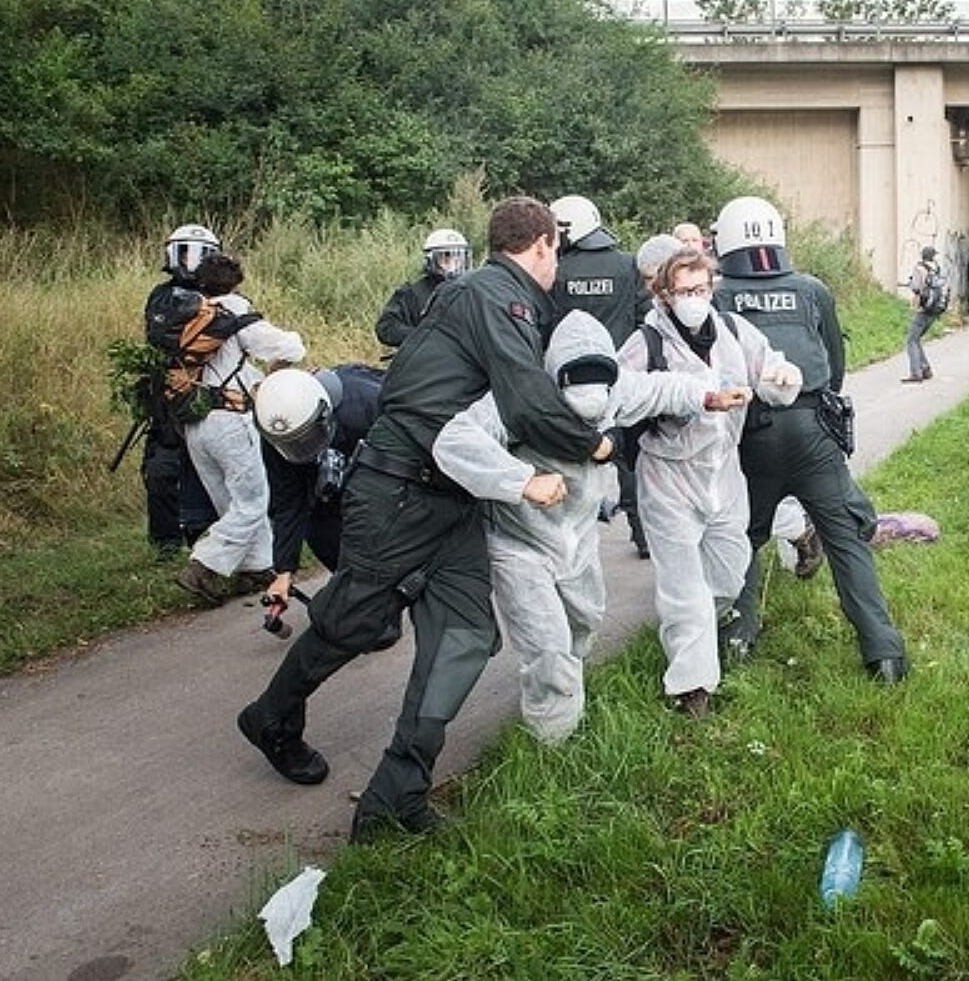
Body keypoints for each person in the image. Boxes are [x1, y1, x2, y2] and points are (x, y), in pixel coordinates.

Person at [238, 196, 613, 842]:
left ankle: (395, 794)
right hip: (398, 491)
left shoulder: (482, 294)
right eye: (557, 252)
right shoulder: (498, 294)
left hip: (455, 498)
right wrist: (595, 444)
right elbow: (526, 401)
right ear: (544, 244)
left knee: (466, 637)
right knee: (356, 619)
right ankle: (272, 716)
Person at [434, 310, 748, 742]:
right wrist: (523, 481)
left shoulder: (619, 389)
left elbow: (663, 389)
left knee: (584, 622)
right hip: (519, 541)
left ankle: (568, 682)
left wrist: (708, 397)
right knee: (547, 645)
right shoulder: (516, 397)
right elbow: (453, 442)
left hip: (577, 535)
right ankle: (555, 740)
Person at [711, 196, 910, 684]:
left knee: (743, 538)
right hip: (815, 432)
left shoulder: (716, 296)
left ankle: (738, 640)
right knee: (846, 540)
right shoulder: (811, 290)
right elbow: (835, 368)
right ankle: (884, 655)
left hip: (750, 435)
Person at [618, 246, 802, 718]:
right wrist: (695, 396)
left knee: (727, 573)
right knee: (684, 589)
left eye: (701, 288)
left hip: (723, 475)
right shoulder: (647, 343)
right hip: (667, 478)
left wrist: (783, 377)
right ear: (663, 294)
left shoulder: (735, 332)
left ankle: (695, 634)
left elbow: (773, 374)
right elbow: (620, 396)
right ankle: (691, 688)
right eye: (683, 291)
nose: (694, 298)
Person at [175, 251, 306, 604]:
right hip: (231, 418)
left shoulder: (185, 315)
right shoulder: (235, 313)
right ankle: (203, 566)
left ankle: (257, 567)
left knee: (230, 500)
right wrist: (276, 371)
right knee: (252, 501)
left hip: (193, 421)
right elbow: (291, 346)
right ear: (236, 281)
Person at [550, 195, 651, 557]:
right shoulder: (629, 266)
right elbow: (645, 318)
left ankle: (570, 539)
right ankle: (643, 535)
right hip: (620, 376)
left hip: (571, 381)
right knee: (629, 459)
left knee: (571, 456)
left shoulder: (556, 270)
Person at [251, 364, 384, 618]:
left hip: (375, 460)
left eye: (304, 437)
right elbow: (288, 502)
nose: (299, 447)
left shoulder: (368, 403)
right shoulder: (276, 437)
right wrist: (283, 572)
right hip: (328, 473)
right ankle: (361, 595)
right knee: (319, 525)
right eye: (291, 443)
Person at [141, 225, 219, 559]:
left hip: (209, 394)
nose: (193, 261)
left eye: (200, 254)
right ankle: (166, 543)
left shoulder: (221, 297)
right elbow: (160, 334)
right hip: (169, 396)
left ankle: (209, 536)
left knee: (208, 469)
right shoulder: (161, 295)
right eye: (186, 252)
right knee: (161, 470)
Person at [374, 228, 471, 349]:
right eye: (445, 258)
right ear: (431, 260)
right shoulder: (412, 293)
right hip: (425, 359)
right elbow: (386, 327)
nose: (453, 264)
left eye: (458, 259)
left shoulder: (473, 290)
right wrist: (422, 336)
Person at [902, 245, 944, 383]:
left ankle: (916, 373)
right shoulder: (937, 268)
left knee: (911, 340)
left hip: (923, 308)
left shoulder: (919, 269)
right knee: (916, 339)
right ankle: (925, 369)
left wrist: (910, 284)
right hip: (934, 309)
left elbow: (915, 287)